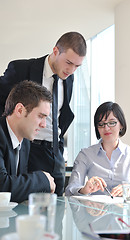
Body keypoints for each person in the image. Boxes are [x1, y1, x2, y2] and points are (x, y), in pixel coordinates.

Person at [0, 31, 87, 196]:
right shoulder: (21, 69)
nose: (72, 70)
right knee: (26, 202)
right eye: (68, 62)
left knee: (57, 206)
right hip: (29, 149)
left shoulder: (68, 78)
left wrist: (58, 145)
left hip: (55, 152)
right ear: (55, 51)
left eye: (77, 66)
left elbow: (62, 114)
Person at [65, 101, 130, 197]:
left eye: (112, 123)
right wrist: (84, 190)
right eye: (101, 124)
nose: (106, 128)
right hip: (96, 210)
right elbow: (70, 190)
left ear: (121, 125)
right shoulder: (85, 154)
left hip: (126, 210)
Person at [0, 80, 56, 203]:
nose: (44, 125)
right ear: (20, 110)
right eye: (40, 116)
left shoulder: (25, 142)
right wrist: (42, 179)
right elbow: (2, 187)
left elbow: (18, 189)